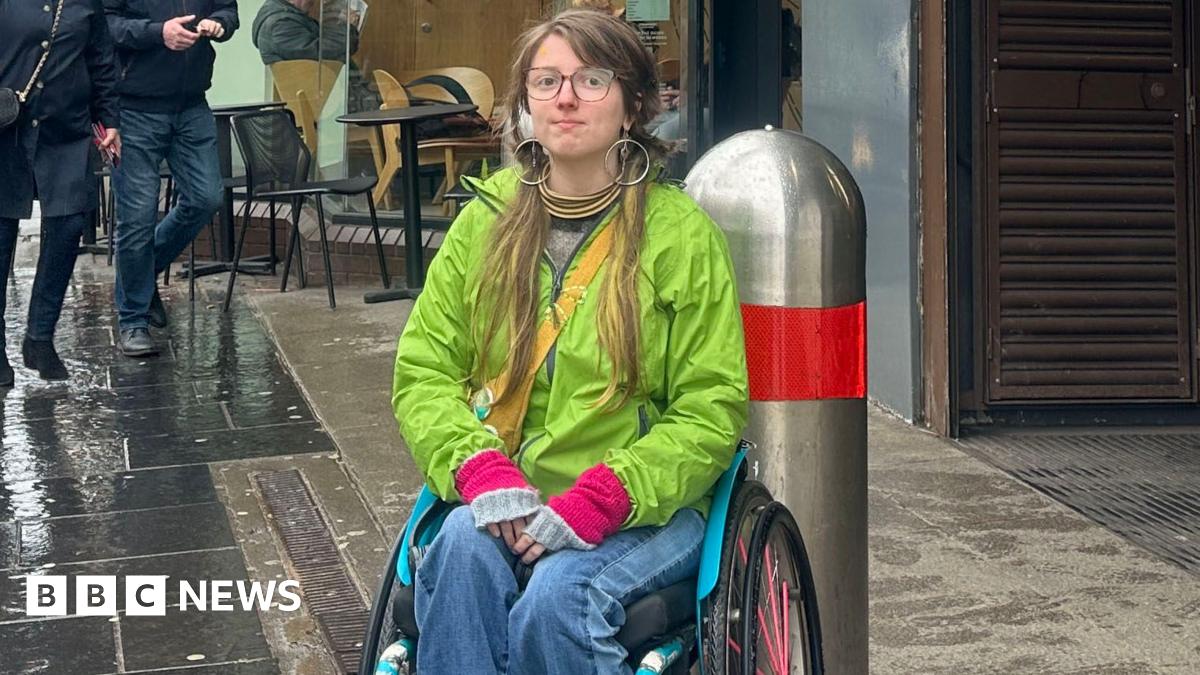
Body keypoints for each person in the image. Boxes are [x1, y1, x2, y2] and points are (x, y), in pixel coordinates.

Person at [391, 10, 748, 674]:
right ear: (524, 103)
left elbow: (710, 409)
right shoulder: (486, 223)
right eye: (546, 80)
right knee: (461, 556)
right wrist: (477, 466)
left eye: (591, 79)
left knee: (558, 598)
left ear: (634, 104)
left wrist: (604, 495)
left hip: (641, 503)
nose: (565, 97)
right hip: (508, 496)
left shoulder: (682, 237)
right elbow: (424, 371)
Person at [103, 0, 238, 356]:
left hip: (192, 104)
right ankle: (132, 321)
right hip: (134, 109)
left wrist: (218, 24)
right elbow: (105, 25)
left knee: (207, 197)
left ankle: (141, 281)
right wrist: (157, 33)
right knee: (137, 219)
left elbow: (229, 10)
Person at [0, 0, 121, 383]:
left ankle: (39, 337)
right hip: (7, 130)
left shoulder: (85, 3)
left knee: (69, 225)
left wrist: (109, 119)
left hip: (65, 131)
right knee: (1, 234)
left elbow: (101, 59)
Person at [251, 0, 379, 114]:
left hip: (331, 98)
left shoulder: (288, 19)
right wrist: (346, 28)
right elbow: (324, 53)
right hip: (329, 104)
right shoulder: (280, 25)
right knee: (392, 101)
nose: (314, 2)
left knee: (389, 95)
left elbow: (319, 47)